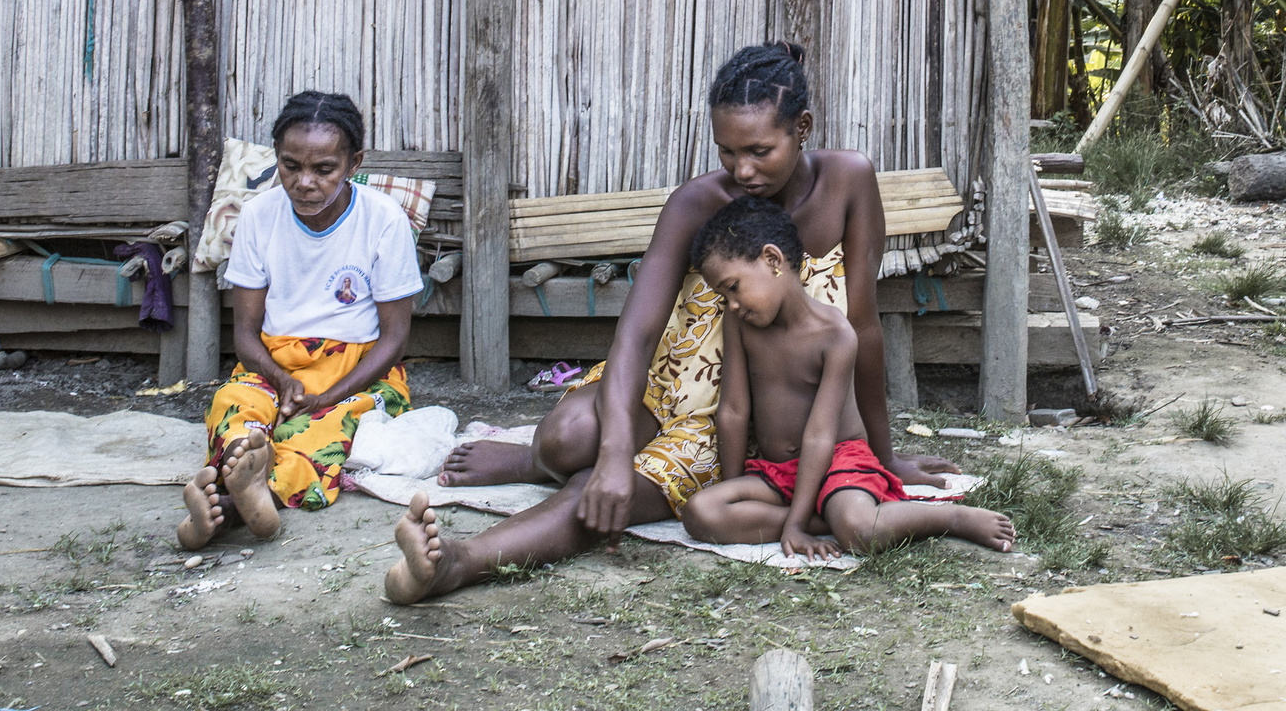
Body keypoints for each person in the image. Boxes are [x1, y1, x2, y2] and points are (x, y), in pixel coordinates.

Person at [385, 41, 962, 602]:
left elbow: (862, 328)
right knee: (570, 443)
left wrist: (883, 462)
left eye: (760, 151)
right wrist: (614, 455)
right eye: (727, 152)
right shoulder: (697, 203)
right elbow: (635, 333)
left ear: (802, 128)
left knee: (599, 497)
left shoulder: (848, 183)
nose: (743, 170)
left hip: (749, 428)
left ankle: (459, 562)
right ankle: (538, 462)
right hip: (672, 392)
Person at [679, 197, 1014, 557]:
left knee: (859, 532)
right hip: (777, 472)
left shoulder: (835, 334)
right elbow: (732, 410)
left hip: (839, 462)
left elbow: (821, 434)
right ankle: (820, 519)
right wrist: (735, 489)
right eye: (722, 295)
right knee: (702, 512)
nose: (730, 304)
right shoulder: (739, 322)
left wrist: (787, 525)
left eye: (732, 287)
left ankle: (950, 518)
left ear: (773, 260)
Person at [178, 91, 423, 549]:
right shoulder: (257, 217)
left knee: (325, 428)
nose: (304, 182)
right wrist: (279, 378)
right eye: (291, 166)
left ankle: (228, 506)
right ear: (278, 159)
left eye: (324, 169)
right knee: (235, 404)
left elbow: (395, 339)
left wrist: (329, 394)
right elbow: (246, 335)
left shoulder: (383, 219)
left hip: (360, 371)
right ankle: (243, 469)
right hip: (273, 362)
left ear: (354, 163)